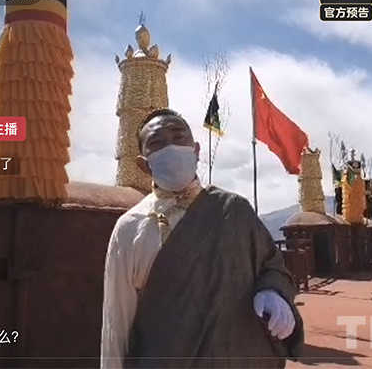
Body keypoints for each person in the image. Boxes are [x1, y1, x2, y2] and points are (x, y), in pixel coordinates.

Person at [101, 108, 303, 368]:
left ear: (196, 150)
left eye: (178, 137)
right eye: (157, 143)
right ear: (144, 164)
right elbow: (117, 322)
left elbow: (272, 265)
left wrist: (273, 292)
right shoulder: (130, 228)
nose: (171, 147)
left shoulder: (234, 210)